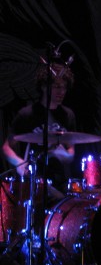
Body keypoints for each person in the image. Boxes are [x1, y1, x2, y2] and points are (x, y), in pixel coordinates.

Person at [2, 58, 76, 201]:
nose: (61, 91)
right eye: (56, 86)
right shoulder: (27, 114)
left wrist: (65, 155)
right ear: (44, 86)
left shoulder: (68, 115)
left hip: (60, 182)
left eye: (64, 87)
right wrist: (19, 165)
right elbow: (6, 147)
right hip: (33, 181)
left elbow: (71, 150)